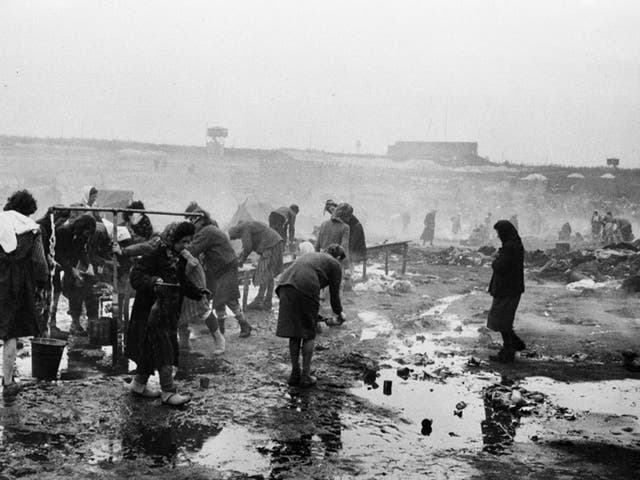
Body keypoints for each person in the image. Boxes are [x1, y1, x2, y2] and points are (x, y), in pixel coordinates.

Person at [126, 221, 210, 406]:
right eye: (183, 241)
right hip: (150, 311)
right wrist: (154, 281)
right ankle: (168, 392)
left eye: (189, 241)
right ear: (173, 239)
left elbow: (182, 281)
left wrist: (198, 292)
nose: (186, 246)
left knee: (149, 350)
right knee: (164, 349)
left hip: (168, 311)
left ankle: (138, 384)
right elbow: (136, 277)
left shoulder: (177, 257)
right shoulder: (153, 254)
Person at [275, 244, 347, 387]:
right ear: (339, 257)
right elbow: (334, 296)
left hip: (284, 285)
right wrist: (339, 313)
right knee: (308, 333)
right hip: (304, 285)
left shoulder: (315, 257)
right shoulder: (335, 264)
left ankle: (295, 372)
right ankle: (306, 376)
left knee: (294, 332)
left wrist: (317, 315)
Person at [1, 190, 48, 398]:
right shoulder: (32, 229)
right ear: (28, 211)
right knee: (10, 332)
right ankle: (8, 382)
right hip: (15, 285)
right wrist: (42, 281)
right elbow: (39, 263)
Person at [184, 202, 252, 337]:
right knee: (219, 298)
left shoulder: (206, 232)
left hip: (225, 265)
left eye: (193, 221)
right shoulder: (208, 228)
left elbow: (193, 249)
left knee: (228, 297)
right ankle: (221, 329)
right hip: (220, 266)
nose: (192, 225)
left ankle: (244, 324)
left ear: (200, 220)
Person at [487, 220, 525, 363]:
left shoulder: (510, 247)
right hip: (510, 288)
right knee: (503, 319)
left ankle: (509, 350)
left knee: (501, 319)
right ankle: (514, 344)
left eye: (498, 232)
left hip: (507, 289)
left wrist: (495, 260)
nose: (497, 236)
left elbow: (501, 267)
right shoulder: (514, 245)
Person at [55, 214, 98, 336]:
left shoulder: (83, 236)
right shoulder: (63, 232)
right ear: (81, 228)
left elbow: (81, 251)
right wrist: (70, 269)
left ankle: (82, 323)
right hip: (57, 263)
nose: (87, 236)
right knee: (66, 291)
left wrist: (88, 264)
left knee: (82, 287)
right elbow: (57, 254)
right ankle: (71, 322)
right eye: (87, 233)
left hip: (73, 263)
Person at [228, 220, 284, 311]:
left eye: (237, 237)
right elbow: (246, 247)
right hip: (275, 243)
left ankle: (259, 300)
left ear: (237, 232)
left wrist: (241, 260)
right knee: (270, 274)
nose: (239, 238)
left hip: (271, 245)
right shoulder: (247, 226)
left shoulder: (244, 227)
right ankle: (267, 302)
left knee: (264, 272)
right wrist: (241, 257)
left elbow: (248, 247)